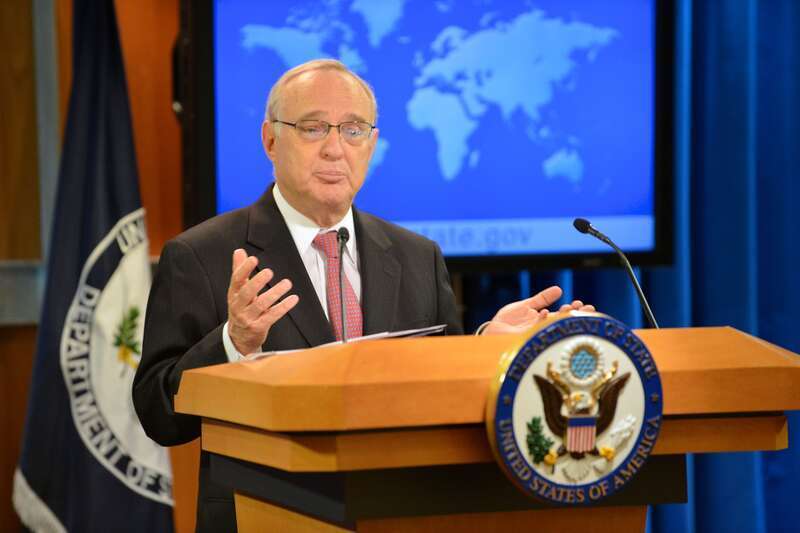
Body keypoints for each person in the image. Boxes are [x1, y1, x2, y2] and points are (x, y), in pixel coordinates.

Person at [132, 59, 593, 532]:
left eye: (353, 131)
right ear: (270, 140)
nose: (335, 149)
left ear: (371, 144)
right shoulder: (203, 255)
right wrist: (234, 344)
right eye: (313, 128)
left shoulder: (417, 256)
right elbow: (157, 414)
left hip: (401, 516)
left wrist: (486, 348)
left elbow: (438, 394)